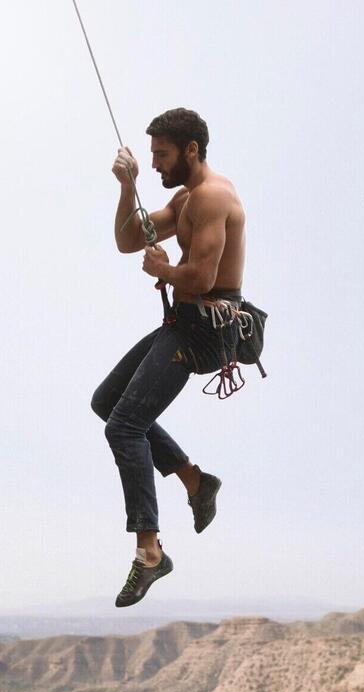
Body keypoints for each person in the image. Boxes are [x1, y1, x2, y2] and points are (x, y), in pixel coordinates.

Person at [90, 108, 248, 608]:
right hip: (183, 324)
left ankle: (150, 551)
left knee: (124, 426)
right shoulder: (184, 199)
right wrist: (126, 185)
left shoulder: (212, 199)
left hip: (205, 333)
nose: (155, 165)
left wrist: (164, 267)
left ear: (191, 151)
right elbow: (127, 240)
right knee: (107, 402)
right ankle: (195, 481)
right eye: (152, 156)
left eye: (161, 155)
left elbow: (202, 278)